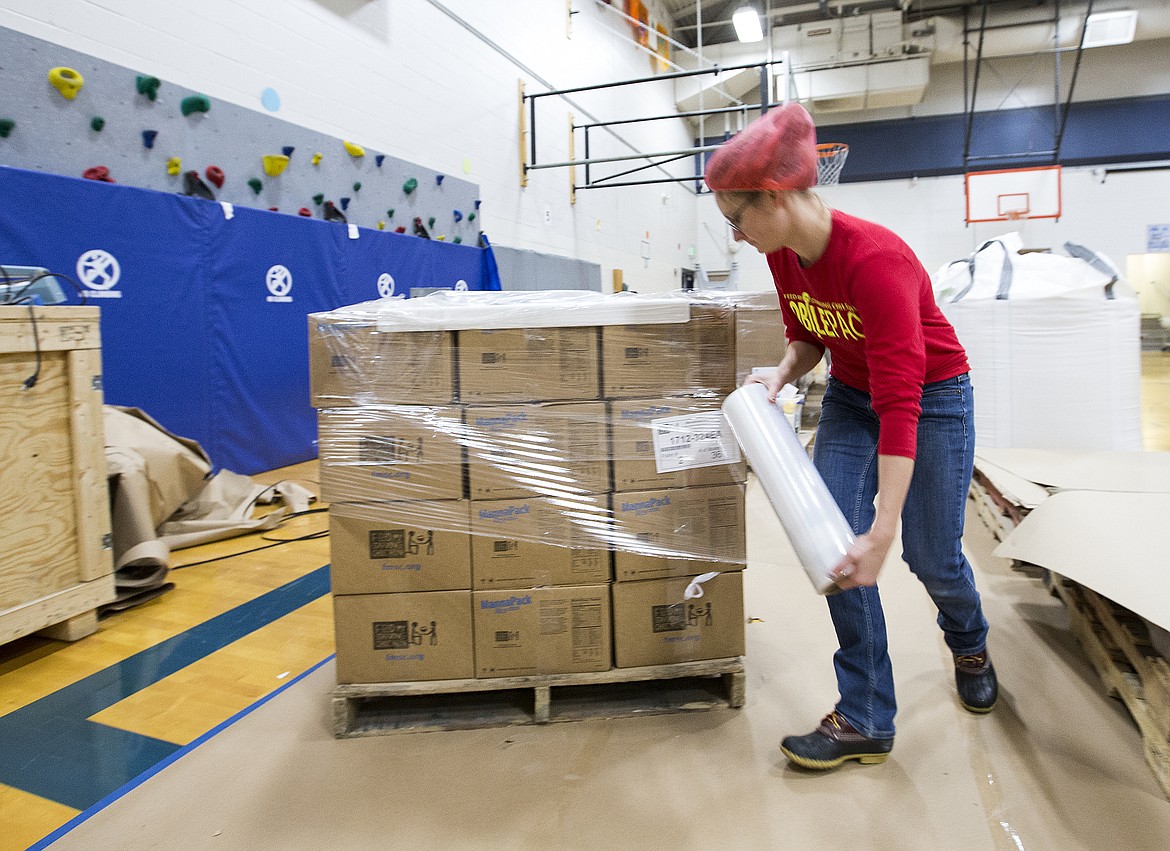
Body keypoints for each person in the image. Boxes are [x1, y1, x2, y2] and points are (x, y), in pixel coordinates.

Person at [704, 103, 997, 771]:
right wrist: (780, 374)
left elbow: (902, 398)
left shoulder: (876, 259)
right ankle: (865, 713)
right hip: (850, 394)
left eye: (735, 218)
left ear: (774, 197)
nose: (735, 235)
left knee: (931, 555)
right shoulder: (782, 255)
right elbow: (810, 334)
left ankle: (970, 640)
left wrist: (883, 528)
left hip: (932, 399)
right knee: (832, 547)